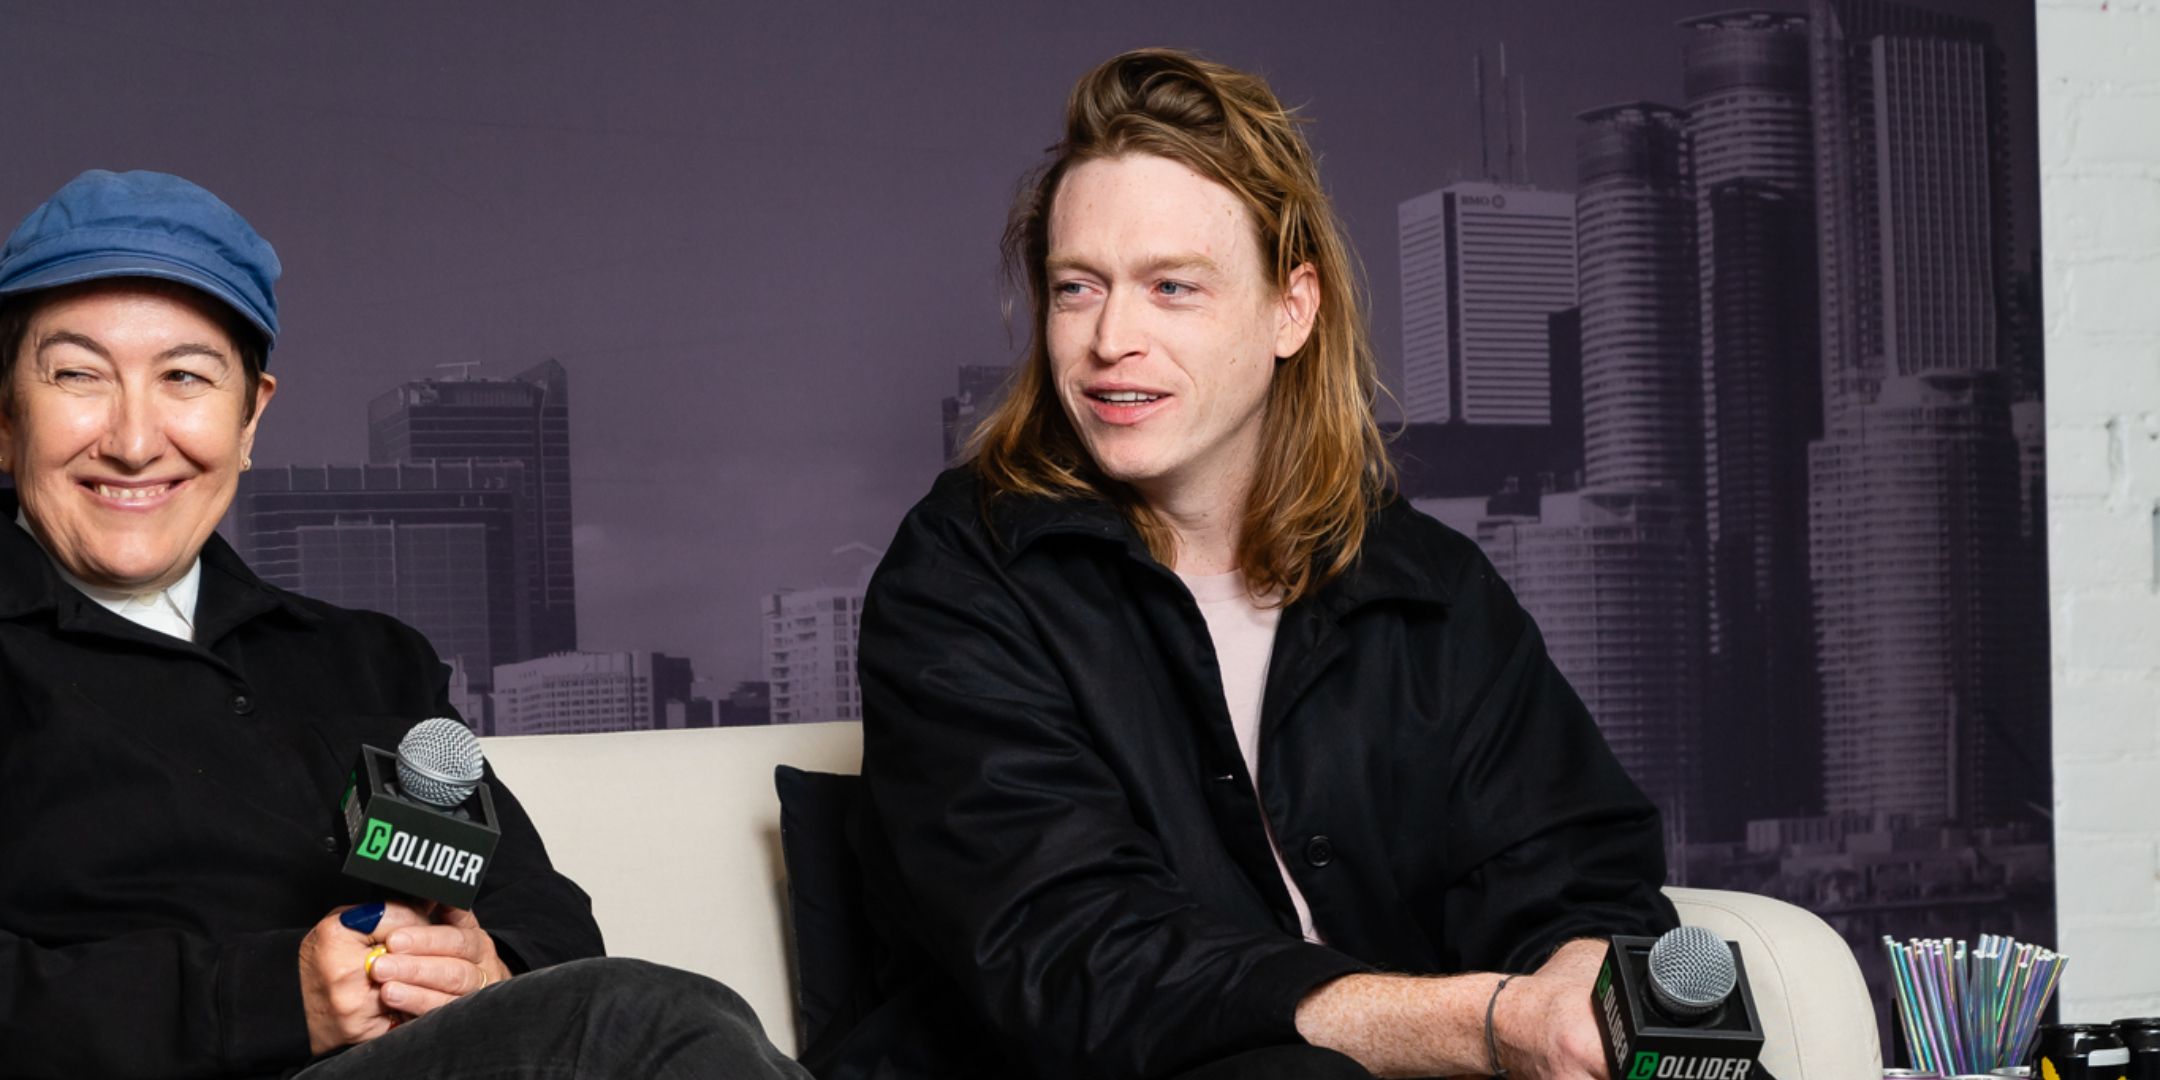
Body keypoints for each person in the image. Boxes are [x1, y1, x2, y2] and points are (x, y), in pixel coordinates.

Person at [839, 50, 1679, 1080]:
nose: (1111, 338)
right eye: (1076, 288)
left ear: (1292, 308)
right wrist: (1490, 1026)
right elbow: (1076, 959)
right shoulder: (962, 576)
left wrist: (1581, 996)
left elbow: (1581, 870)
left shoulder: (1429, 587)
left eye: (1172, 288)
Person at [0, 169, 808, 1080]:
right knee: (649, 1022)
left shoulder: (369, 660)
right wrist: (272, 996)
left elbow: (543, 911)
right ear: (4, 414)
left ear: (250, 417)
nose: (135, 440)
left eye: (186, 378)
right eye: (78, 375)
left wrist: (488, 966)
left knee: (654, 1018)